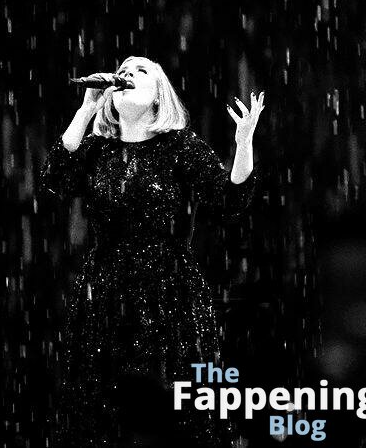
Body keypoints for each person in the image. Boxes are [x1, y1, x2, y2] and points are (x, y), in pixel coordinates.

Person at [41, 55, 265, 447]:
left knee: (177, 406)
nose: (127, 74)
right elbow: (55, 178)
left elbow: (230, 199)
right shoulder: (96, 149)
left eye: (140, 70)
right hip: (105, 292)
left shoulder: (179, 146)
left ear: (159, 95)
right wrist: (86, 108)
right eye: (123, 71)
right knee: (102, 409)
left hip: (170, 290)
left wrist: (243, 142)